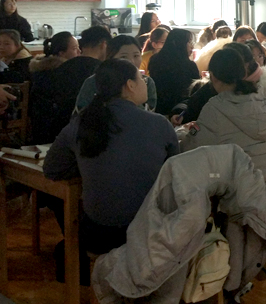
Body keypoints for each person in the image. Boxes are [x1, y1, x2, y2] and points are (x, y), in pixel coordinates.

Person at [45, 58, 179, 255]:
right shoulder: (159, 124)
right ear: (130, 85)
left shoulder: (83, 122)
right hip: (148, 231)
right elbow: (174, 171)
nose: (145, 83)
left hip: (99, 233)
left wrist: (89, 166)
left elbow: (51, 169)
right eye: (141, 79)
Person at [179, 49, 266, 218]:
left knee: (197, 175)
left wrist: (184, 133)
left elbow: (189, 150)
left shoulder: (217, 107)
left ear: (213, 76)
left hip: (243, 201)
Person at [39, 26, 111, 141]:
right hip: (88, 132)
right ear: (104, 44)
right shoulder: (101, 70)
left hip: (57, 130)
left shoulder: (63, 67)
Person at [76, 35, 158, 112]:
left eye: (136, 56)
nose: (131, 61)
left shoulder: (147, 82)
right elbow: (81, 113)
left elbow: (149, 114)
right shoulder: (94, 82)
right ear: (110, 58)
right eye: (123, 57)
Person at [29, 32, 79, 143]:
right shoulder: (60, 74)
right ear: (62, 53)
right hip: (53, 133)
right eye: (75, 48)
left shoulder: (41, 68)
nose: (79, 52)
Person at [143, 28, 198, 115]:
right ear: (179, 43)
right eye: (189, 42)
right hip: (180, 111)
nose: (192, 46)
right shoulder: (189, 65)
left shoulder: (155, 60)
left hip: (157, 108)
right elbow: (195, 90)